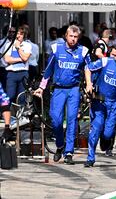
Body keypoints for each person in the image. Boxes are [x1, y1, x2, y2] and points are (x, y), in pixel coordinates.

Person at [34, 25, 92, 165]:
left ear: (78, 37)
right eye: (71, 36)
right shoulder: (56, 48)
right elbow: (48, 70)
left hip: (73, 89)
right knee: (56, 120)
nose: (73, 39)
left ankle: (69, 153)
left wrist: (89, 83)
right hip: (59, 89)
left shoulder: (83, 51)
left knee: (72, 120)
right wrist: (42, 87)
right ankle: (60, 145)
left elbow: (88, 68)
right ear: (66, 36)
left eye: (75, 37)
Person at [4, 26, 32, 104]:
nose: (18, 36)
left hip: (23, 73)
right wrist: (21, 59)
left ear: (24, 35)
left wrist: (18, 47)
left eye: (21, 34)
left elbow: (25, 58)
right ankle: (7, 114)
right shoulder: (9, 45)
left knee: (22, 97)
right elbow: (7, 59)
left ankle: (20, 114)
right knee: (10, 95)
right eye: (17, 33)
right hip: (11, 73)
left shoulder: (27, 45)